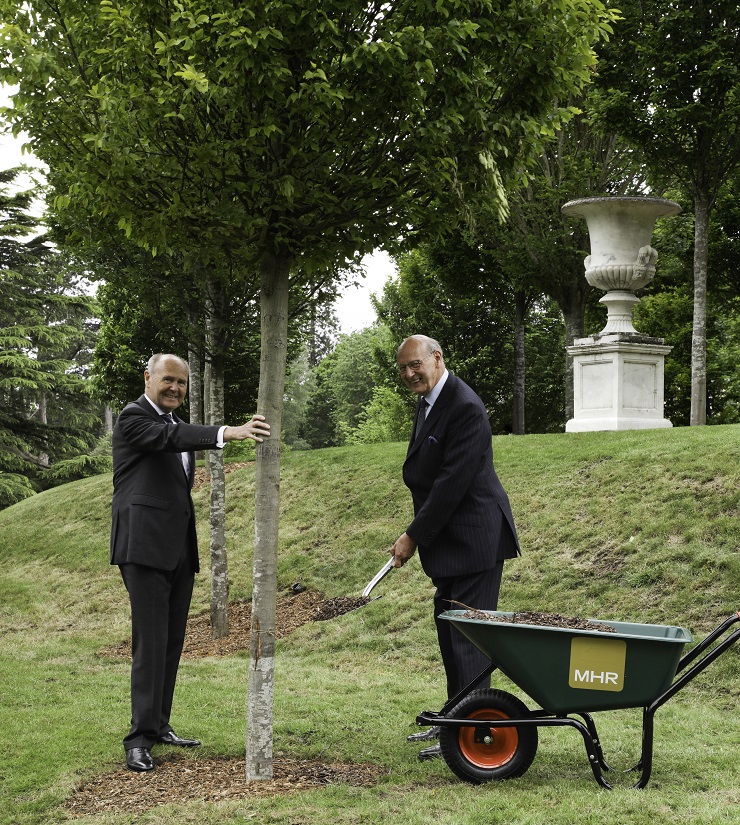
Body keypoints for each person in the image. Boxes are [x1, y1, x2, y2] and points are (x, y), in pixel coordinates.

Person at [110, 353, 270, 772]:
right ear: (148, 378)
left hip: (178, 550)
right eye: (168, 380)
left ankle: (160, 725)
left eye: (182, 383)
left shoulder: (176, 425)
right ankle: (138, 739)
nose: (175, 389)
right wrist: (227, 432)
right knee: (150, 642)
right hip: (143, 549)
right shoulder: (132, 418)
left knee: (172, 641)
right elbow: (167, 442)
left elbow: (176, 444)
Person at [389, 335, 520, 761]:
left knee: (471, 643)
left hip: (475, 540)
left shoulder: (464, 405)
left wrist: (413, 535)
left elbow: (450, 485)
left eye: (416, 365)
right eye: (403, 368)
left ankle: (473, 736)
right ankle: (455, 721)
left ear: (437, 358)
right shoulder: (429, 402)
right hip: (451, 543)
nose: (411, 374)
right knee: (451, 636)